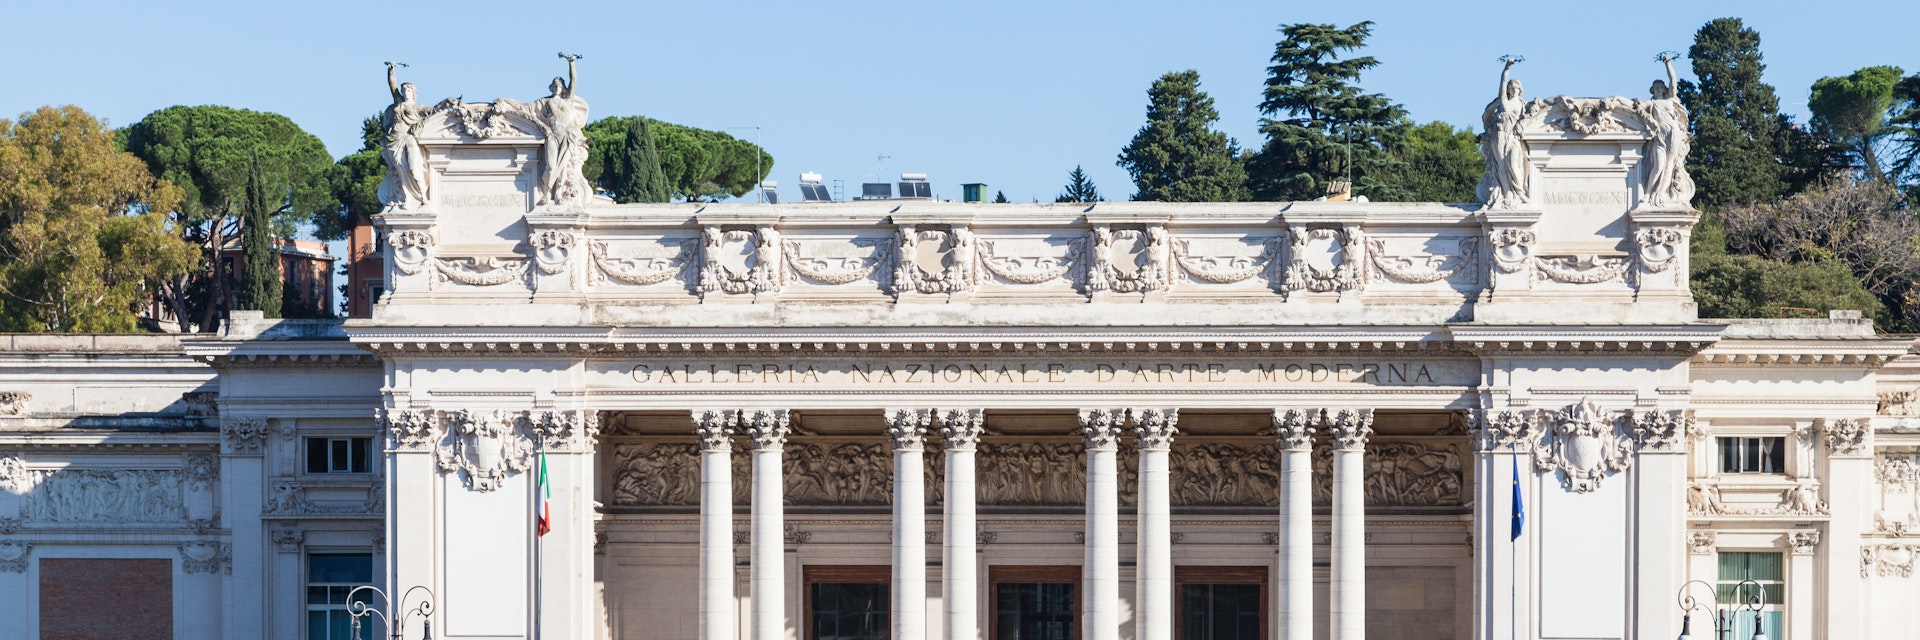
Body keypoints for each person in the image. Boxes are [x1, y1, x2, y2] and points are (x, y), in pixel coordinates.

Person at [1639, 55, 1695, 209]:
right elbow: (1634, 106)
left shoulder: (1670, 100)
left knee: (1669, 165)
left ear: (1664, 89)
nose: (1658, 89)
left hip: (1673, 134)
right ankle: (1648, 194)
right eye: (1656, 87)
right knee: (1658, 166)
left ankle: (1661, 196)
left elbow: (1673, 80)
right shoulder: (1651, 103)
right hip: (1660, 137)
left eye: (1660, 87)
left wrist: (1667, 63)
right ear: (1653, 90)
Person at [1478, 57, 1531, 209]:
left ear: (1520, 89)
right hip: (1499, 135)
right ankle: (1507, 192)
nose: (1513, 89)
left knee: (1514, 165)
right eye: (1511, 87)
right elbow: (1502, 82)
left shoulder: (1523, 104)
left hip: (1513, 138)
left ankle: (1519, 193)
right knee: (1501, 166)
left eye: (1516, 87)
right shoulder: (1503, 101)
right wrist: (1507, 67)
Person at [382, 63, 432, 210]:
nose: (405, 91)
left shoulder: (418, 108)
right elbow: (392, 84)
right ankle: (406, 198)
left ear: (414, 92)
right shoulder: (398, 102)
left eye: (408, 89)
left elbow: (434, 112)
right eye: (404, 89)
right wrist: (391, 70)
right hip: (394, 140)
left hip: (409, 139)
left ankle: (423, 196)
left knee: (413, 167)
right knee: (400, 170)